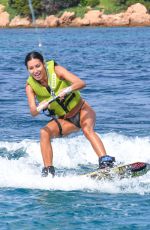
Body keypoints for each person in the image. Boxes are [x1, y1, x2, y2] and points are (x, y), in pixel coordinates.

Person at [25, 51, 115, 177]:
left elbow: (81, 83)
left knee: (87, 129)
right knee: (44, 132)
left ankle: (105, 162)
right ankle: (48, 171)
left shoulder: (57, 70)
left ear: (44, 64)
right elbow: (33, 112)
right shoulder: (30, 87)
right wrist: (41, 106)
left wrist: (67, 90)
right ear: (28, 70)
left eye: (38, 66)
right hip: (66, 120)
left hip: (83, 110)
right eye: (31, 68)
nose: (36, 71)